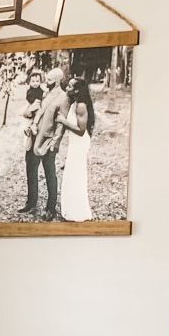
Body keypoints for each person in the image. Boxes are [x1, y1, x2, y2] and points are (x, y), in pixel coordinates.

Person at [25, 68, 69, 220]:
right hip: (35, 137)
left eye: (49, 80)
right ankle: (31, 203)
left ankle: (51, 208)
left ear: (57, 81)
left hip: (48, 142)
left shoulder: (63, 98)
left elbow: (61, 125)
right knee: (31, 171)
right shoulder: (45, 93)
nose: (45, 82)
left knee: (50, 175)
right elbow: (37, 111)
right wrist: (32, 122)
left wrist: (55, 144)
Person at [58, 69, 96, 222]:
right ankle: (70, 209)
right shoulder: (74, 103)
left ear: (77, 90)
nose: (67, 88)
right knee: (71, 175)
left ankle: (78, 211)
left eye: (70, 86)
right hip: (75, 143)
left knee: (76, 175)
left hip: (80, 143)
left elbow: (81, 130)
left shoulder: (81, 106)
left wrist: (63, 121)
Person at [19, 69, 48, 217]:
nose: (36, 83)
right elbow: (27, 112)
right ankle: (31, 202)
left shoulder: (45, 95)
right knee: (30, 169)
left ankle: (33, 203)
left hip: (41, 136)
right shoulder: (32, 94)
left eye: (38, 81)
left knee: (34, 169)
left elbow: (37, 111)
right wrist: (29, 111)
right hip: (33, 129)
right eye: (33, 81)